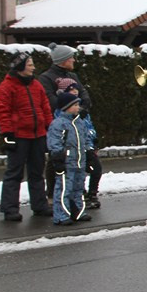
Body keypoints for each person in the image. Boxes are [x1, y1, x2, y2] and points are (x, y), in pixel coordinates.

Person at [0, 51, 53, 221]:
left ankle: (40, 205)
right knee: (14, 173)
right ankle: (9, 208)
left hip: (38, 135)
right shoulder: (6, 87)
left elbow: (45, 107)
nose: (33, 67)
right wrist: (8, 135)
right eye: (30, 64)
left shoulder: (36, 85)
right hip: (19, 136)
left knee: (37, 172)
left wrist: (50, 128)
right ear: (20, 67)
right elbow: (2, 112)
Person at [38, 43, 92, 198]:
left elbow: (83, 93)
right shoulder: (46, 78)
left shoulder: (73, 76)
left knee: (78, 156)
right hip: (59, 122)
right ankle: (53, 193)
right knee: (57, 158)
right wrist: (70, 108)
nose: (74, 60)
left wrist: (81, 109)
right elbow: (52, 101)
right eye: (71, 58)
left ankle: (77, 190)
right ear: (63, 60)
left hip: (77, 120)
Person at [46, 89, 92, 225]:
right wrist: (58, 159)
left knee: (79, 188)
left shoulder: (80, 122)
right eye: (75, 105)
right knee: (63, 189)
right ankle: (61, 215)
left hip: (79, 162)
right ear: (67, 107)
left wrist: (89, 152)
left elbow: (86, 138)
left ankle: (78, 211)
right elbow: (55, 143)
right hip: (66, 163)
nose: (78, 107)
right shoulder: (58, 123)